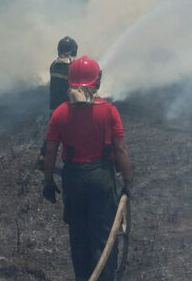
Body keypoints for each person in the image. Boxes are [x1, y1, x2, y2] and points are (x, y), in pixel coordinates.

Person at [41, 56, 133, 281]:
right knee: (104, 237)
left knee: (79, 238)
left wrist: (48, 181)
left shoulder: (60, 113)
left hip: (73, 180)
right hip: (101, 178)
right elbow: (120, 151)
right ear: (97, 82)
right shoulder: (109, 111)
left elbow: (51, 151)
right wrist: (128, 183)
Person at [36, 36, 78, 171]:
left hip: (54, 109)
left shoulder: (54, 65)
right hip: (67, 109)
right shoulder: (70, 68)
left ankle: (41, 161)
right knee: (71, 137)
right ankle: (73, 164)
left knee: (52, 136)